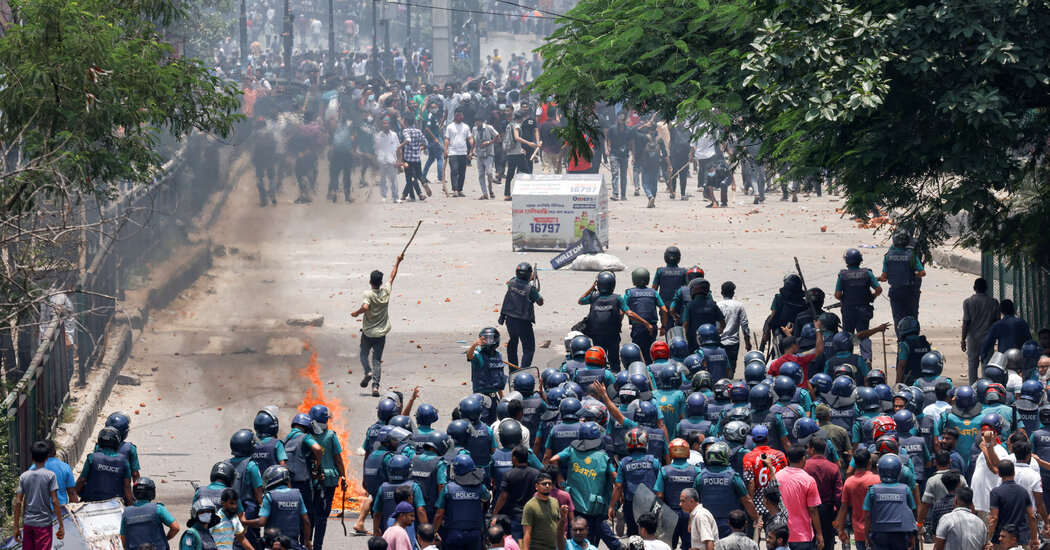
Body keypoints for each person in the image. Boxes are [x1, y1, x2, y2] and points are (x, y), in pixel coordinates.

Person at [352, 254, 404, 397]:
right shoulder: (385, 292)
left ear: (370, 282)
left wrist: (356, 313)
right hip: (381, 334)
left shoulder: (368, 294)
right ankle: (375, 387)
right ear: (381, 283)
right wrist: (398, 261)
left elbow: (365, 307)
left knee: (363, 354)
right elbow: (392, 276)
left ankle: (367, 372)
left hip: (368, 333)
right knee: (376, 360)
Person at [579, 271, 652, 370]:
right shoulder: (617, 298)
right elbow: (630, 314)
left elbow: (581, 300)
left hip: (597, 335)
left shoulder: (593, 297)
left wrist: (592, 287)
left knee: (599, 359)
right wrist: (646, 323)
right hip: (613, 335)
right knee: (614, 360)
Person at [14, 441, 65, 550]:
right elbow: (55, 501)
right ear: (47, 457)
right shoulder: (50, 476)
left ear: (32, 457)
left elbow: (18, 502)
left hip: (28, 523)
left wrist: (16, 527)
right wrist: (61, 524)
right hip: (43, 523)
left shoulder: (24, 476)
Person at [434, 455, 491, 550]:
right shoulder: (480, 487)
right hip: (474, 535)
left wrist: (433, 532)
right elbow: (487, 498)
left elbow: (439, 514)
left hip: (453, 534)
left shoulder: (448, 488)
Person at [834, 248, 882, 361]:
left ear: (847, 261)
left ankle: (847, 359)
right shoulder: (867, 273)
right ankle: (867, 359)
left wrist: (844, 299)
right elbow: (879, 289)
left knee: (847, 336)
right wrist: (873, 296)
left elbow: (837, 294)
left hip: (848, 310)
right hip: (864, 309)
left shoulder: (843, 275)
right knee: (863, 335)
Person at [774, 445, 824, 550]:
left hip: (780, 534)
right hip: (802, 536)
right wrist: (819, 533)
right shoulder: (808, 480)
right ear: (803, 459)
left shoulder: (777, 477)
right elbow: (813, 510)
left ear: (788, 459)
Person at [863, 454, 917, 550]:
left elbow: (867, 516)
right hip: (901, 535)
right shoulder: (905, 489)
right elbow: (912, 513)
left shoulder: (872, 490)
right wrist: (912, 535)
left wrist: (867, 537)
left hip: (879, 534)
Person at [490, 446, 541, 539]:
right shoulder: (536, 473)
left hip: (516, 516)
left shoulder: (509, 474)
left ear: (514, 459)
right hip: (533, 515)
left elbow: (503, 497)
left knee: (517, 544)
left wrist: (495, 513)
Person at [878, 231, 926, 329]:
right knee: (912, 317)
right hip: (910, 292)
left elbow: (884, 277)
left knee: (898, 317)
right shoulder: (911, 256)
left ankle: (900, 340)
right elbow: (922, 273)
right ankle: (913, 339)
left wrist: (879, 278)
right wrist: (915, 273)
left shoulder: (888, 256)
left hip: (895, 292)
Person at [501, 263, 544, 370]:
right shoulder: (530, 289)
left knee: (513, 342)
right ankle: (523, 372)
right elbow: (540, 302)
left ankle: (513, 370)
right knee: (529, 349)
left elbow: (518, 282)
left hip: (510, 320)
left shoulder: (511, 282)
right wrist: (533, 282)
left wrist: (529, 279)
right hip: (523, 323)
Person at [987, 459, 1038, 550]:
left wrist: (988, 539)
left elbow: (994, 518)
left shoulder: (996, 492)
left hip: (1002, 541)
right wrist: (1034, 538)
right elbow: (1031, 516)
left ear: (999, 474)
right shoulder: (1023, 491)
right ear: (1014, 472)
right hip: (1021, 539)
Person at [257, 465, 311, 549]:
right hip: (292, 544)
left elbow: (261, 522)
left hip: (273, 546)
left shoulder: (269, 496)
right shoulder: (297, 495)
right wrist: (307, 541)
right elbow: (306, 521)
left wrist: (244, 521)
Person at [835, 447, 878, 550]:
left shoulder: (849, 482)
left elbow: (844, 507)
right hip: (877, 530)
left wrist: (841, 529)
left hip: (859, 531)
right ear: (869, 462)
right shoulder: (877, 480)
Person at [76, 427, 133, 504]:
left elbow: (81, 481)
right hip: (115, 504)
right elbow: (127, 487)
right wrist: (130, 507)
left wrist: (73, 495)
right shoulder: (124, 461)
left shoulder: (92, 458)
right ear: (117, 442)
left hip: (91, 502)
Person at [803, 437, 842, 550]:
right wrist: (838, 514)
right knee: (826, 541)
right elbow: (838, 493)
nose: (807, 451)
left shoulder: (805, 466)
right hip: (827, 511)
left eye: (808, 448)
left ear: (813, 449)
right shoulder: (833, 467)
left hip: (808, 510)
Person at [121, 478, 180, 550]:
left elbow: (123, 541)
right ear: (151, 492)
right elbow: (176, 527)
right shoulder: (158, 509)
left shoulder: (126, 513)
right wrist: (165, 539)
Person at [961, 278, 1000, 381]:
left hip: (973, 338)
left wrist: (963, 340)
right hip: (988, 338)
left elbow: (966, 322)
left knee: (972, 364)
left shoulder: (968, 302)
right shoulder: (994, 302)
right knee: (987, 364)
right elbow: (997, 322)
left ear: (974, 288)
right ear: (986, 288)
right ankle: (986, 386)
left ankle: (972, 386)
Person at [625, 268, 667, 363]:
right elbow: (664, 310)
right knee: (650, 354)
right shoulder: (653, 292)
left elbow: (621, 311)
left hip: (638, 327)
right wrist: (663, 326)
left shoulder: (629, 293)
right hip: (653, 327)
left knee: (638, 354)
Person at [521, 473, 569, 550]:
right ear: (536, 486)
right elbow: (527, 533)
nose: (547, 486)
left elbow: (558, 529)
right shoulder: (530, 506)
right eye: (544, 484)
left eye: (549, 484)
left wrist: (563, 516)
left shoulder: (554, 502)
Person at [717, 281, 752, 374]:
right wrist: (747, 343)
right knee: (731, 368)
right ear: (733, 293)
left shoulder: (717, 305)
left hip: (719, 342)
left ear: (721, 293)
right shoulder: (739, 306)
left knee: (719, 367)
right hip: (733, 343)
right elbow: (745, 325)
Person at [29, 439, 77, 506]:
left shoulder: (32, 469)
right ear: (55, 452)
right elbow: (72, 492)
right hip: (61, 510)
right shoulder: (65, 467)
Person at [444, 108, 474, 197]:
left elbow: (470, 138)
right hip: (453, 152)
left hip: (463, 152)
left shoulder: (466, 127)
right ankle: (455, 190)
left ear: (462, 115)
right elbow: (447, 139)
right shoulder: (450, 126)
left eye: (460, 115)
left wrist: (472, 147)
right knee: (454, 170)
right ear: (454, 115)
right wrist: (445, 150)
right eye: (457, 115)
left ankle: (460, 189)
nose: (458, 116)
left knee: (462, 172)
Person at [470, 114, 500, 198]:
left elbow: (498, 137)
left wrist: (488, 142)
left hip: (488, 153)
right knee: (481, 174)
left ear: (482, 121)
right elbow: (473, 140)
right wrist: (471, 151)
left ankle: (490, 189)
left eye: (479, 121)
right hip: (479, 154)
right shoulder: (474, 129)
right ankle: (485, 193)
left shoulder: (489, 128)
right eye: (476, 122)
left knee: (489, 172)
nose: (477, 123)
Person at [398, 118, 426, 202]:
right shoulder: (418, 131)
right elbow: (425, 142)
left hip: (408, 158)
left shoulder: (405, 131)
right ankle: (423, 184)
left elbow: (408, 140)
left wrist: (400, 146)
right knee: (417, 175)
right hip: (417, 158)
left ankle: (413, 196)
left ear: (405, 122)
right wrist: (419, 146)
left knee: (409, 177)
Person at [539, 108, 566, 174]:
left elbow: (541, 138)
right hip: (556, 150)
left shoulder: (543, 125)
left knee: (546, 169)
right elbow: (561, 139)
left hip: (546, 150)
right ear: (555, 114)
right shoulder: (557, 125)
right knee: (558, 170)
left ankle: (546, 183)